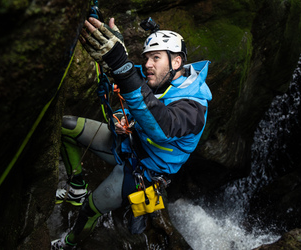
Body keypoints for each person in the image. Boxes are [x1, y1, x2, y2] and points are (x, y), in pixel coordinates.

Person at [51, 16, 212, 249]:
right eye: (146, 58)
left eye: (156, 58)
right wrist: (120, 64)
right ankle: (76, 188)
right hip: (128, 144)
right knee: (67, 126)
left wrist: (122, 68)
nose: (147, 64)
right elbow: (135, 91)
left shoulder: (194, 107)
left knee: (90, 209)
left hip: (143, 172)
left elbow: (163, 127)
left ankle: (68, 243)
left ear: (176, 62)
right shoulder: (162, 80)